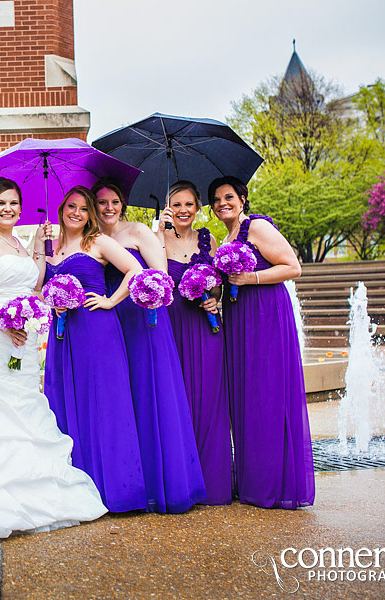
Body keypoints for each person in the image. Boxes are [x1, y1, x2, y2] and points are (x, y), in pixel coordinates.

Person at [0, 178, 107, 538]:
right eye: (0, 203)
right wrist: (5, 323)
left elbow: (31, 288)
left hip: (23, 341)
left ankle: (34, 490)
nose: (8, 209)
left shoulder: (18, 243)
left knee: (25, 403)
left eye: (14, 203)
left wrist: (40, 251)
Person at [93, 178, 206, 513]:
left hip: (143, 318)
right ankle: (127, 478)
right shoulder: (91, 238)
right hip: (109, 322)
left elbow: (162, 275)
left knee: (148, 394)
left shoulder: (137, 232)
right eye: (102, 203)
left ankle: (160, 482)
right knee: (120, 399)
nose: (108, 208)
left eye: (114, 201)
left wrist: (144, 289)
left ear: (122, 203)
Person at [208, 176, 314, 509]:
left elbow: (293, 267)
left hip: (266, 314)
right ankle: (253, 480)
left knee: (268, 393)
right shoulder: (224, 238)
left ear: (242, 199)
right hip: (238, 319)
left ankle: (275, 483)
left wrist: (250, 277)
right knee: (246, 396)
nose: (222, 203)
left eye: (229, 197)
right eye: (216, 199)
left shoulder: (256, 227)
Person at [43, 186, 147, 512]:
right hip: (64, 335)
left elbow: (135, 270)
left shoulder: (98, 242)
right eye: (71, 206)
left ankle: (115, 488)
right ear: (62, 209)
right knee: (66, 401)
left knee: (104, 402)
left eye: (84, 209)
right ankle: (78, 487)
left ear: (90, 215)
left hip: (97, 328)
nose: (76, 212)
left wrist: (110, 301)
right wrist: (54, 303)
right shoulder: (53, 246)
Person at [156, 180, 232, 505]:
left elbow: (218, 283)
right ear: (168, 207)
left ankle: (213, 480)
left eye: (189, 204)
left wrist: (214, 298)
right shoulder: (158, 238)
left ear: (198, 208)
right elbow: (152, 277)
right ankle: (182, 479)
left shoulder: (208, 239)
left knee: (209, 399)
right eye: (177, 204)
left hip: (203, 326)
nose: (184, 210)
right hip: (172, 325)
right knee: (179, 399)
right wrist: (158, 234)